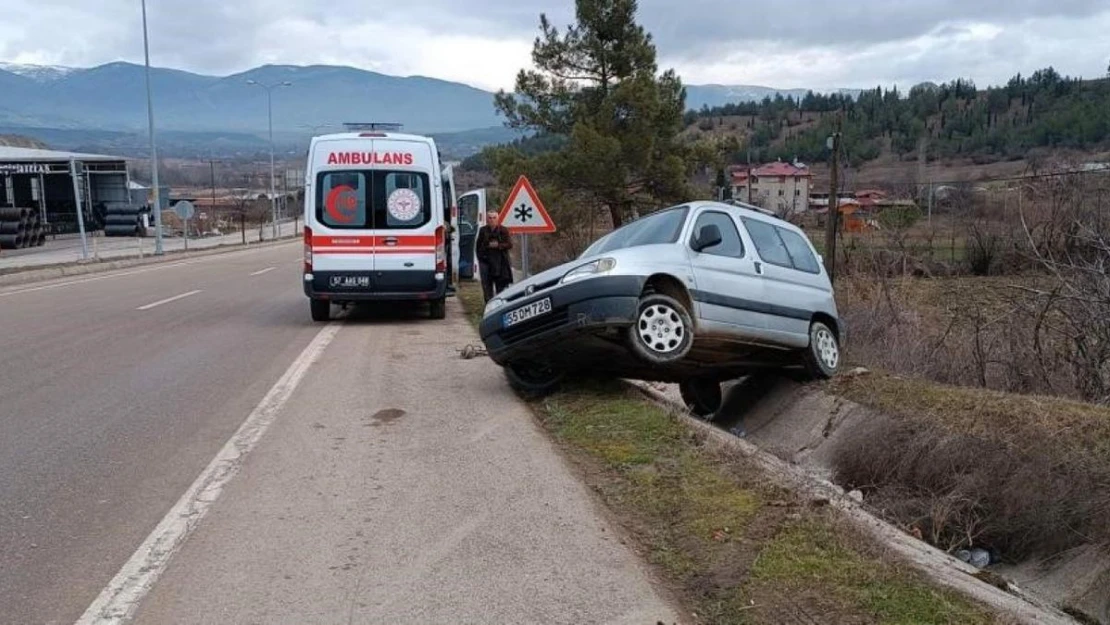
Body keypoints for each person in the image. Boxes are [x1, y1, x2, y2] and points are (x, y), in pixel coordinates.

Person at [476, 210, 513, 302]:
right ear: (487, 220)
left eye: (494, 218)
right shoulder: (483, 230)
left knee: (500, 288)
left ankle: (499, 306)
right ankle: (488, 307)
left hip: (500, 263)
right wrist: (481, 257)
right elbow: (478, 246)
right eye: (490, 218)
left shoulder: (503, 230)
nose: (492, 220)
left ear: (498, 219)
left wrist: (498, 245)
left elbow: (509, 244)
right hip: (486, 263)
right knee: (487, 288)